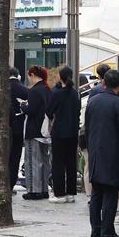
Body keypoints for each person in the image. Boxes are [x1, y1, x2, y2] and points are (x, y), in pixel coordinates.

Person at [85, 69, 119, 237]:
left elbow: (87, 128)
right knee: (111, 192)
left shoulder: (92, 101)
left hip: (96, 152)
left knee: (96, 192)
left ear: (103, 82)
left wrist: (90, 149)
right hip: (113, 154)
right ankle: (107, 231)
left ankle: (95, 230)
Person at [47, 66, 80, 203]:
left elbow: (48, 111)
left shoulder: (56, 93)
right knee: (71, 162)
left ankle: (59, 193)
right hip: (73, 132)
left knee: (58, 162)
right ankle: (71, 193)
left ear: (60, 77)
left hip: (59, 132)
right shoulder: (75, 93)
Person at [21, 65, 52, 201]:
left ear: (33, 75)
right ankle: (44, 189)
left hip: (34, 130)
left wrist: (23, 106)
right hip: (45, 131)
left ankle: (33, 190)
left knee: (32, 161)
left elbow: (31, 110)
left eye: (29, 75)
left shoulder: (34, 91)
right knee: (44, 162)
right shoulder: (47, 89)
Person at [8, 67, 29, 193]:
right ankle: (10, 184)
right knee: (15, 156)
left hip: (3, 127)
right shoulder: (24, 89)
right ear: (18, 75)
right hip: (19, 126)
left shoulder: (1, 87)